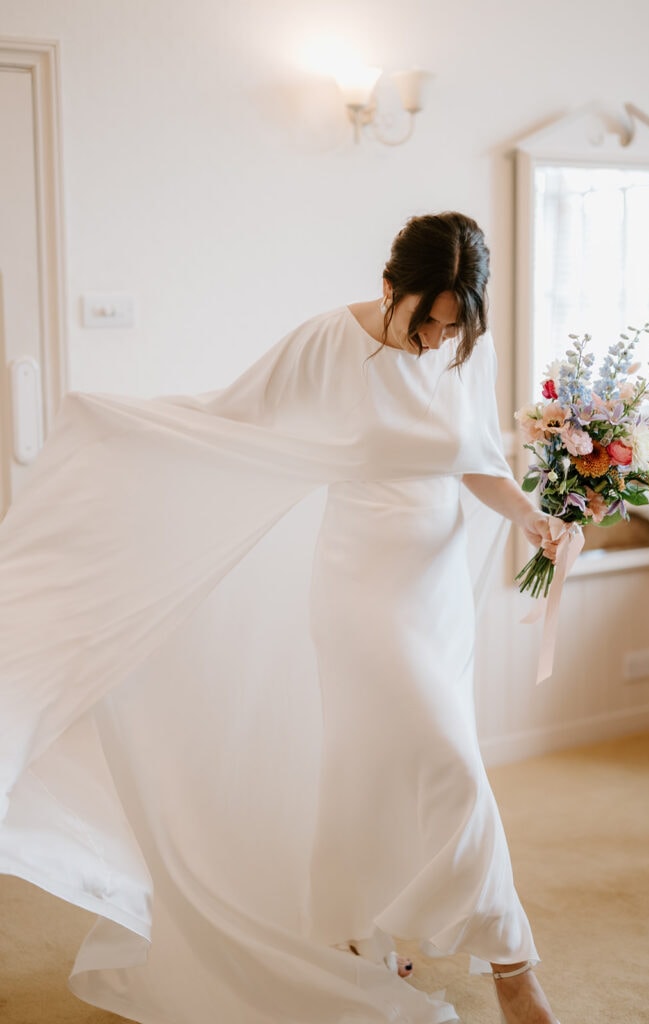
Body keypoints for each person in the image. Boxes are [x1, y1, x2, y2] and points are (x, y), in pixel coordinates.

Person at [0, 212, 560, 1024]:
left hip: (435, 594)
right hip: (362, 589)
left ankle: (364, 934)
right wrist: (116, 425)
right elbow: (231, 416)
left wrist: (527, 516)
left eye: (454, 323)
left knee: (370, 767)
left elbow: (476, 458)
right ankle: (515, 968)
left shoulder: (466, 347)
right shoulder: (328, 342)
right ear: (388, 289)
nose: (439, 338)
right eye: (426, 319)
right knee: (448, 761)